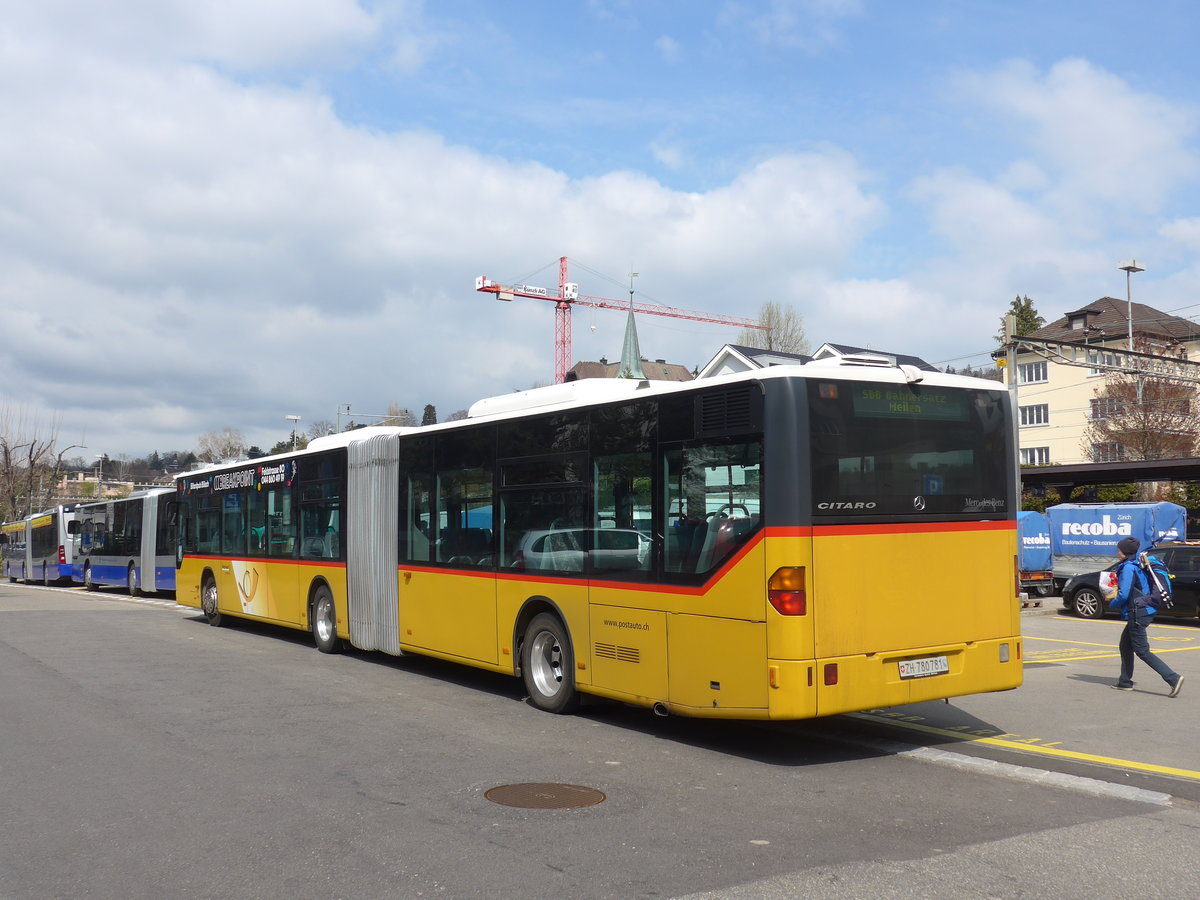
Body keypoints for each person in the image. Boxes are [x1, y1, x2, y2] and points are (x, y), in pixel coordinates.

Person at [1110, 537, 1184, 697]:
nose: (1117, 553)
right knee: (1125, 645)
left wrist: (1111, 604)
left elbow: (1124, 594)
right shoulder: (1136, 564)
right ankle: (1124, 681)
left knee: (1142, 651)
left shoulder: (1129, 567)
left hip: (1138, 612)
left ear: (1124, 552)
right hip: (1143, 610)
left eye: (1119, 550)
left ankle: (1173, 678)